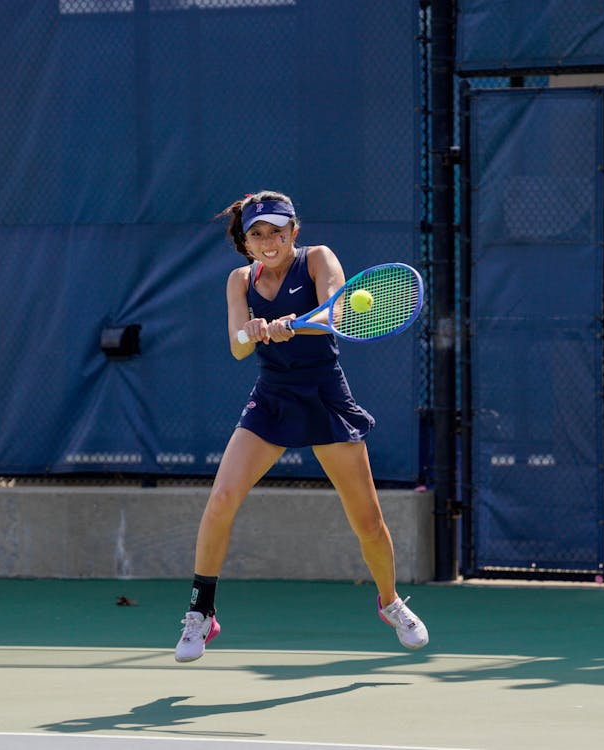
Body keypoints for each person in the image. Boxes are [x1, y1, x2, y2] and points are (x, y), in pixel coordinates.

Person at [174, 190, 429, 663]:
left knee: (368, 522)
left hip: (324, 394)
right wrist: (252, 331)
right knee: (222, 499)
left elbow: (339, 311)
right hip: (271, 397)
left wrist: (295, 324)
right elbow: (236, 347)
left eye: (277, 231)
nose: (269, 241)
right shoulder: (238, 280)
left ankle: (390, 601)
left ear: (294, 230)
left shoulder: (317, 259)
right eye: (258, 234)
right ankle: (201, 613)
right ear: (246, 242)